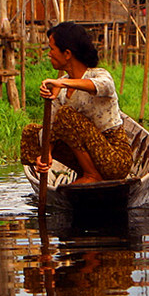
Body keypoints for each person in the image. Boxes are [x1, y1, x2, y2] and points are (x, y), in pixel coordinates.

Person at [20, 21, 132, 185]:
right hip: (87, 157)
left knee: (66, 115)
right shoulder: (61, 87)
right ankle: (84, 172)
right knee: (31, 132)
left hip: (114, 159)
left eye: (52, 49)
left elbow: (105, 86)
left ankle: (92, 175)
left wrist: (62, 84)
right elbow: (51, 128)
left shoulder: (98, 74)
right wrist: (46, 154)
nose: (49, 54)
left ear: (67, 54)